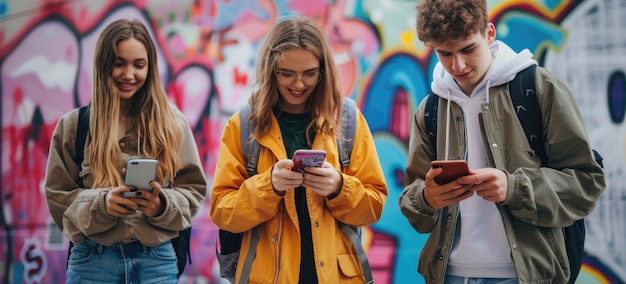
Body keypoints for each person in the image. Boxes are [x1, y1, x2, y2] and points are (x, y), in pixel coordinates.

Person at [399, 1, 605, 283]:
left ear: (489, 33)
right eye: (444, 54)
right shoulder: (430, 109)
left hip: (524, 276)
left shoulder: (539, 88)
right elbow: (413, 200)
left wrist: (514, 188)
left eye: (468, 49)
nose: (457, 65)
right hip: (450, 275)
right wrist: (427, 198)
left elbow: (586, 183)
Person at [210, 16, 387, 283]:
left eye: (309, 73)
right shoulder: (244, 125)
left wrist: (339, 187)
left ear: (323, 71)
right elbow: (223, 213)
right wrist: (269, 186)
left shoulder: (348, 119)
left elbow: (373, 207)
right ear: (271, 70)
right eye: (287, 74)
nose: (299, 84)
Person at [44, 19, 207, 283]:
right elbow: (57, 197)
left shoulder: (173, 124)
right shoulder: (73, 126)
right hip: (92, 260)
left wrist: (160, 205)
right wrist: (101, 205)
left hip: (157, 260)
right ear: (103, 64)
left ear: (150, 68)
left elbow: (193, 192)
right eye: (119, 63)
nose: (128, 74)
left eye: (139, 65)